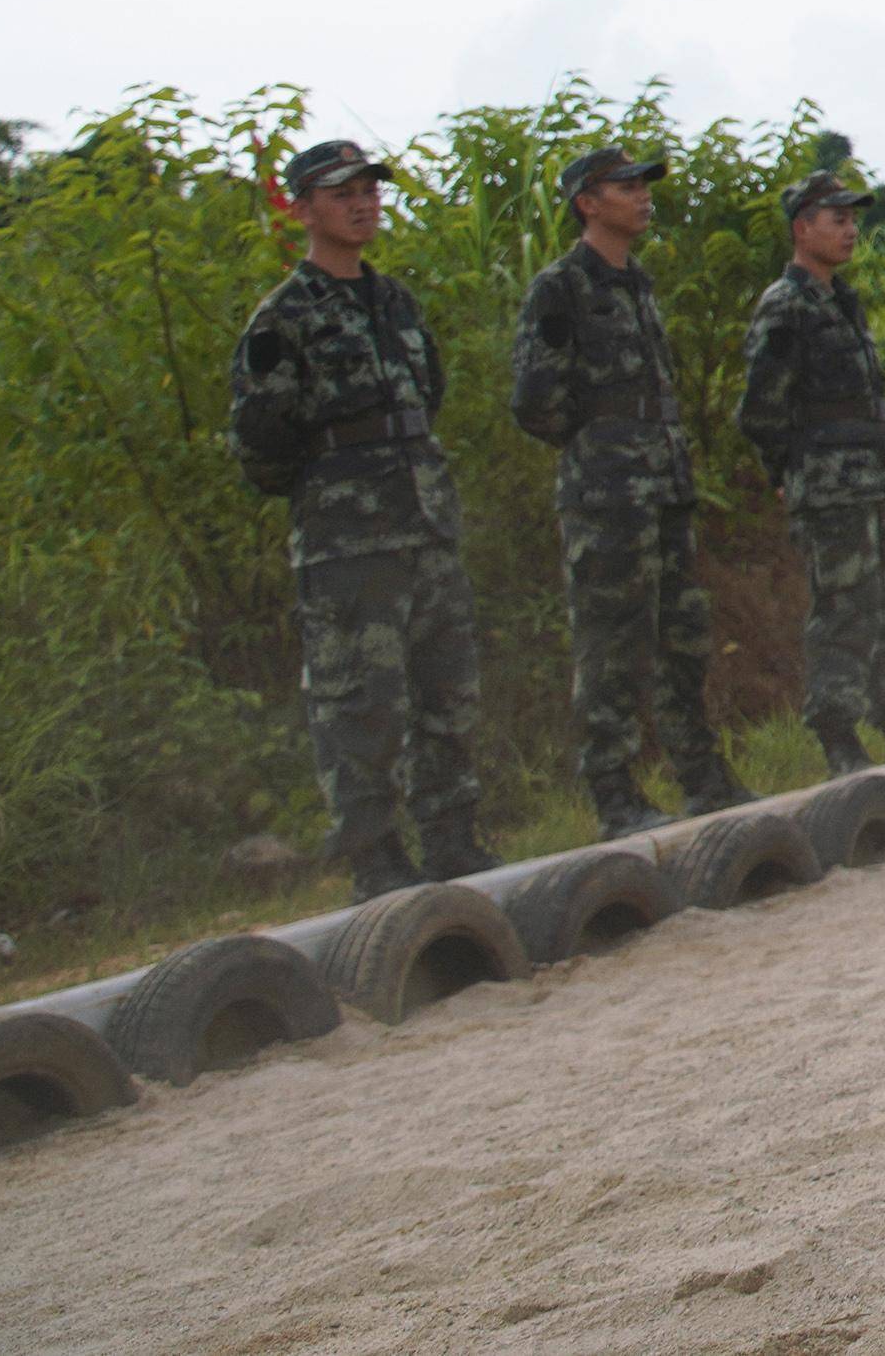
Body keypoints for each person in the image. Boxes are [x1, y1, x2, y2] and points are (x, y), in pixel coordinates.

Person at [228, 140, 490, 896]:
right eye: (342, 189)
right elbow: (259, 447)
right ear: (301, 206)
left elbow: (427, 396)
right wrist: (340, 486)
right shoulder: (282, 319)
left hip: (426, 527)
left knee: (448, 692)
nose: (363, 200)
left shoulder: (395, 302)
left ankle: (452, 838)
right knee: (361, 704)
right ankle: (374, 858)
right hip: (348, 545)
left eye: (371, 186)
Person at [515, 144, 749, 835]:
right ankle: (614, 792)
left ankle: (701, 775)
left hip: (664, 485)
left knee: (684, 634)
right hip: (606, 495)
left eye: (644, 184)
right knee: (610, 643)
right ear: (588, 201)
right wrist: (601, 448)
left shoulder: (637, 283)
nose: (642, 194)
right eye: (626, 185)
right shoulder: (560, 287)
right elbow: (535, 401)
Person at [743, 172, 885, 773]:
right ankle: (837, 732)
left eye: (853, 219)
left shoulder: (840, 302)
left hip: (871, 478)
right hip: (828, 486)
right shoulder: (785, 307)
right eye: (838, 220)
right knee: (844, 608)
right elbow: (760, 408)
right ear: (803, 228)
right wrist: (789, 472)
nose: (851, 230)